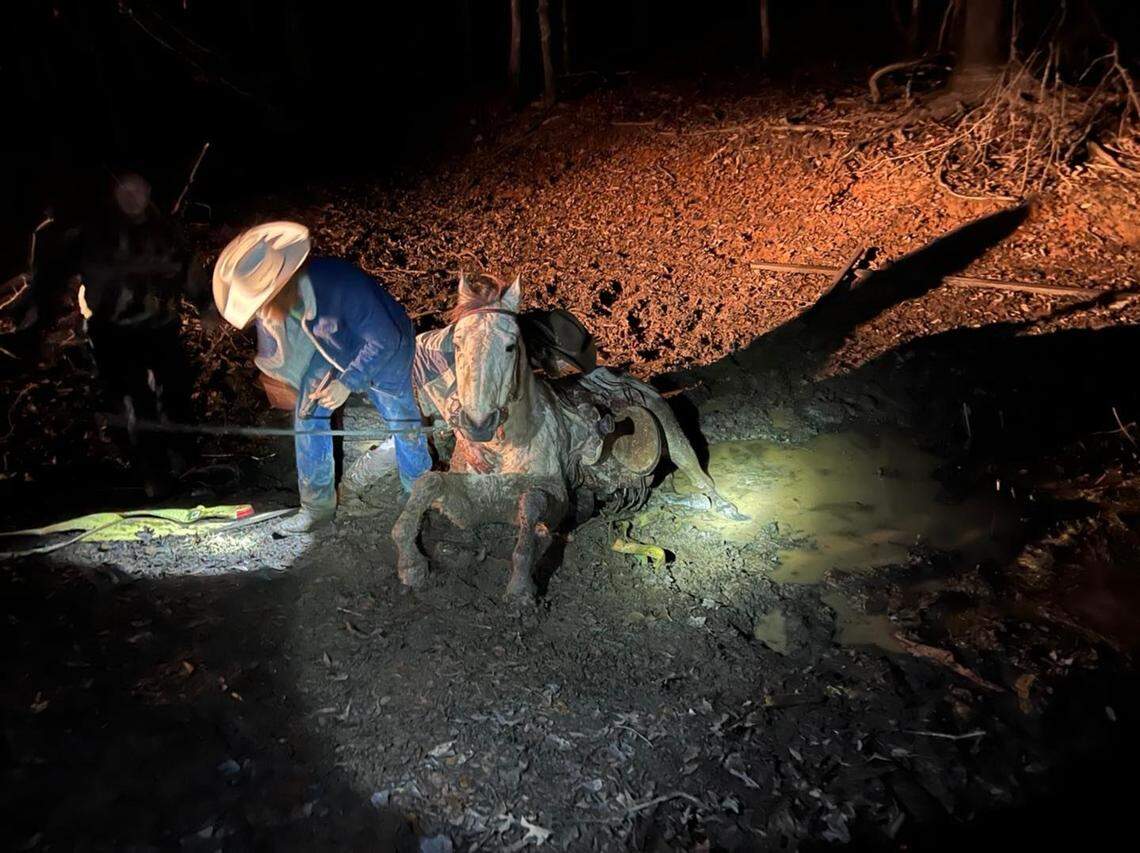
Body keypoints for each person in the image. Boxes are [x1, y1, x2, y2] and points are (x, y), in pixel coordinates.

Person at [212, 222, 431, 533]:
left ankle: (420, 496)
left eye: (265, 302)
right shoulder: (282, 302)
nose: (263, 311)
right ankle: (317, 508)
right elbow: (276, 348)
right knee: (308, 413)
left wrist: (348, 383)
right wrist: (280, 379)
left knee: (404, 422)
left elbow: (385, 340)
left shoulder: (340, 285)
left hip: (389, 342)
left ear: (282, 284)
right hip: (333, 347)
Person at [78, 173, 201, 497]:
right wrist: (36, 309)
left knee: (175, 394)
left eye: (138, 189)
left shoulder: (166, 230)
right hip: (115, 333)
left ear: (148, 191)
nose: (132, 197)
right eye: (124, 190)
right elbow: (62, 268)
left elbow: (188, 268)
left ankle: (185, 463)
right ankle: (152, 476)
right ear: (114, 194)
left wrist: (205, 304)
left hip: (161, 328)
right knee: (135, 404)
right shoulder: (97, 232)